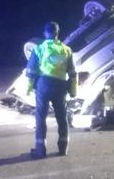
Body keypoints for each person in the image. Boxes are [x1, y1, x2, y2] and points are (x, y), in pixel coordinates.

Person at [25, 21, 77, 159]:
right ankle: (63, 148)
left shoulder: (39, 49)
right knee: (62, 117)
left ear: (45, 33)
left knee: (41, 117)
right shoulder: (67, 50)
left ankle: (40, 150)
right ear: (57, 33)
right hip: (60, 86)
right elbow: (72, 73)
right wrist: (73, 91)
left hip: (44, 85)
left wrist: (28, 89)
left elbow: (30, 71)